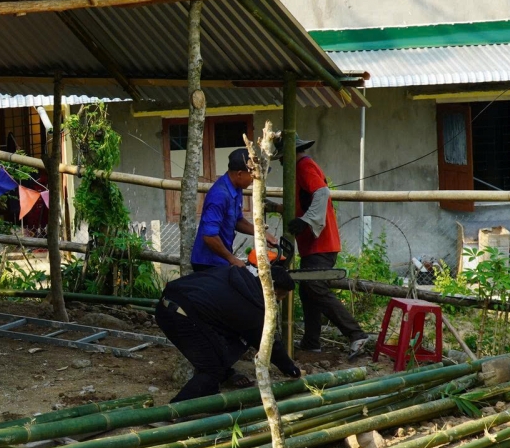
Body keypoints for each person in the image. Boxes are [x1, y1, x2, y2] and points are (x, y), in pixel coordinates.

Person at [270, 133, 368, 358]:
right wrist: (276, 208)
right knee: (308, 291)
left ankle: (357, 335)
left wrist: (306, 221)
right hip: (314, 245)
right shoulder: (300, 169)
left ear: (291, 154)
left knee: (315, 287)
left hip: (321, 243)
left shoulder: (304, 166)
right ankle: (311, 342)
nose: (283, 162)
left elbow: (322, 194)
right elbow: (299, 206)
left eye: (283, 157)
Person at [154, 261, 301, 402]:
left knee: (217, 356)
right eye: (280, 296)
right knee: (212, 370)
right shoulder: (253, 307)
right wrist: (290, 368)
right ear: (273, 291)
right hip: (182, 315)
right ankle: (174, 412)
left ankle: (211, 399)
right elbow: (267, 342)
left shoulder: (237, 275)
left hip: (166, 304)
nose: (278, 301)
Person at [190, 148, 265, 269]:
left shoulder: (237, 188)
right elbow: (209, 236)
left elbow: (237, 220)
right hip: (208, 262)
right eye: (252, 174)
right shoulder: (219, 195)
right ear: (240, 174)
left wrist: (261, 233)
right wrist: (232, 259)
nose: (254, 178)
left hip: (221, 260)